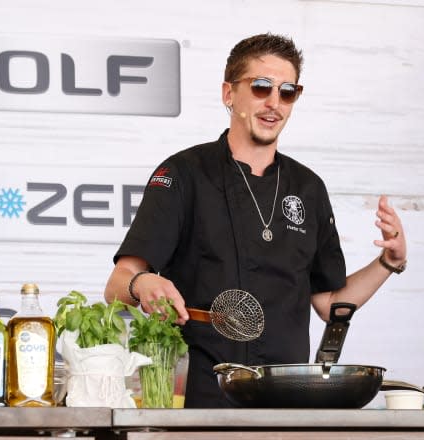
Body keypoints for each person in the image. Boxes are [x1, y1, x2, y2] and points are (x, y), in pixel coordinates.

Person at [104, 33, 407, 408]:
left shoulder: (309, 188)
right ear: (228, 94)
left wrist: (388, 263)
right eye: (261, 87)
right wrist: (143, 282)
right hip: (201, 401)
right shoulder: (184, 174)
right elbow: (116, 284)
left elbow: (330, 303)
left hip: (289, 402)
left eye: (287, 91)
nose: (273, 103)